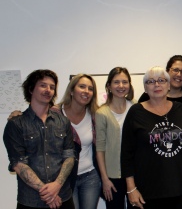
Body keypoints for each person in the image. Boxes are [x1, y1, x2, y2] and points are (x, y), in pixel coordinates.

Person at [121, 66, 182, 209]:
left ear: (168, 85)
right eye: (151, 81)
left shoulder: (180, 109)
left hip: (180, 189)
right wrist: (131, 189)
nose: (157, 84)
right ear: (145, 87)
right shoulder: (136, 112)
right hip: (146, 192)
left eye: (161, 80)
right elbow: (126, 155)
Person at [138, 55, 182, 202]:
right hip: (156, 163)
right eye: (175, 70)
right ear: (168, 71)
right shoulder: (147, 98)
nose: (179, 74)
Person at [3, 69, 75, 208]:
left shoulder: (63, 122)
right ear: (31, 89)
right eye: (43, 85)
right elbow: (18, 164)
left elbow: (69, 156)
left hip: (62, 197)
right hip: (31, 201)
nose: (48, 90)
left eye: (52, 87)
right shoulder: (16, 124)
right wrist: (48, 193)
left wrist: (57, 185)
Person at [56, 74, 101, 209]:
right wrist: (17, 113)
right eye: (82, 86)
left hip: (91, 176)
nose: (86, 91)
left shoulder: (95, 114)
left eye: (90, 88)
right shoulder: (54, 114)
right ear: (71, 90)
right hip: (65, 178)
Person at [95, 67, 135, 209]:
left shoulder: (136, 107)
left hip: (135, 173)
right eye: (116, 82)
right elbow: (100, 148)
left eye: (125, 82)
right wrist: (104, 179)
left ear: (129, 85)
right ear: (109, 86)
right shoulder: (102, 113)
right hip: (112, 177)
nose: (121, 86)